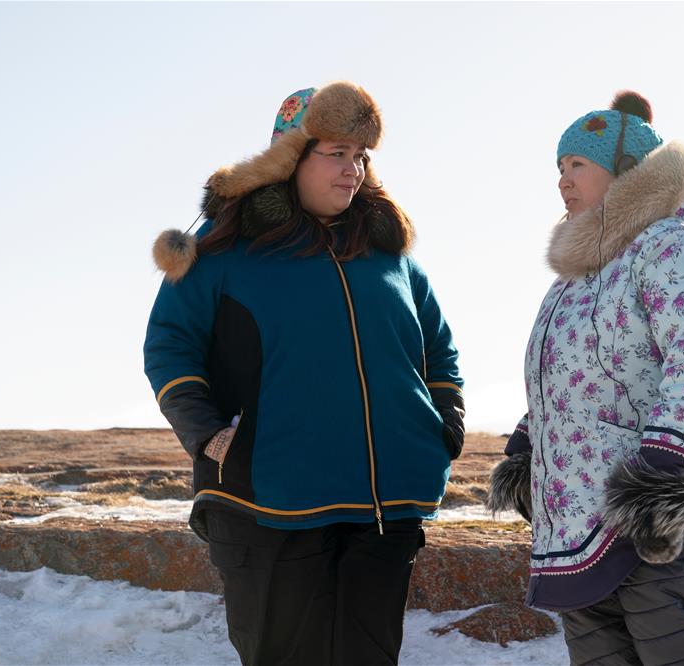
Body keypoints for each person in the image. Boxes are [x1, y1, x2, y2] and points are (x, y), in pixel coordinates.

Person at [144, 81, 464, 666]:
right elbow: (168, 346)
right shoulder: (222, 255)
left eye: (362, 157)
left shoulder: (392, 257)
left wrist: (445, 422)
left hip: (383, 511)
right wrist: (209, 436)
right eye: (337, 154)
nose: (354, 170)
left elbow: (439, 351)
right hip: (268, 505)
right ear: (289, 157)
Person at [488, 91, 684, 665]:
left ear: (627, 171)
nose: (562, 180)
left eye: (577, 164)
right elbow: (568, 376)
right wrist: (529, 442)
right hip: (579, 514)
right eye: (559, 167)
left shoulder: (676, 247)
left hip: (657, 511)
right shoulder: (576, 276)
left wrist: (657, 469)